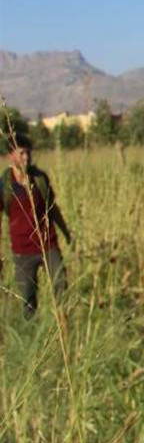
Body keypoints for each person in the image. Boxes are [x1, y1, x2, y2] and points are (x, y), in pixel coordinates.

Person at [0, 133, 72, 315]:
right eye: (22, 153)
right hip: (22, 250)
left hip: (48, 244)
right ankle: (31, 329)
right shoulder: (4, 185)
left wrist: (66, 233)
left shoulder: (40, 178)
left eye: (29, 153)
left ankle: (63, 324)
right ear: (10, 156)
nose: (27, 157)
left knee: (61, 285)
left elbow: (52, 208)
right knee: (28, 299)